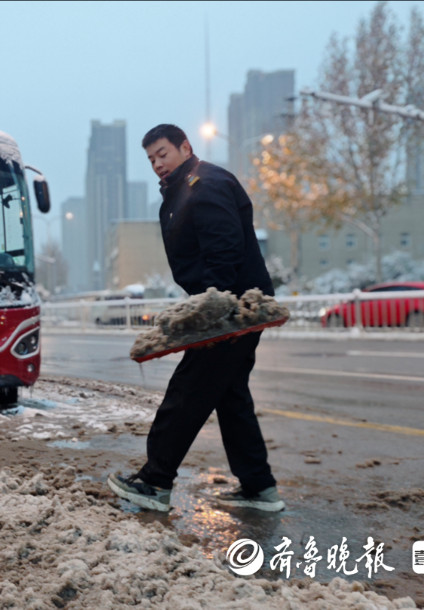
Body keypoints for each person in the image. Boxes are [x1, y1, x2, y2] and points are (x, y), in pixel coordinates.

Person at [107, 124, 284, 513]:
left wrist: (210, 313)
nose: (156, 163)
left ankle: (155, 481)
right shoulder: (183, 189)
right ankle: (259, 488)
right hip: (229, 306)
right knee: (230, 396)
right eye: (151, 158)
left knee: (188, 392)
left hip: (232, 312)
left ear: (185, 147)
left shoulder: (205, 185)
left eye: (163, 153)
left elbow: (223, 252)